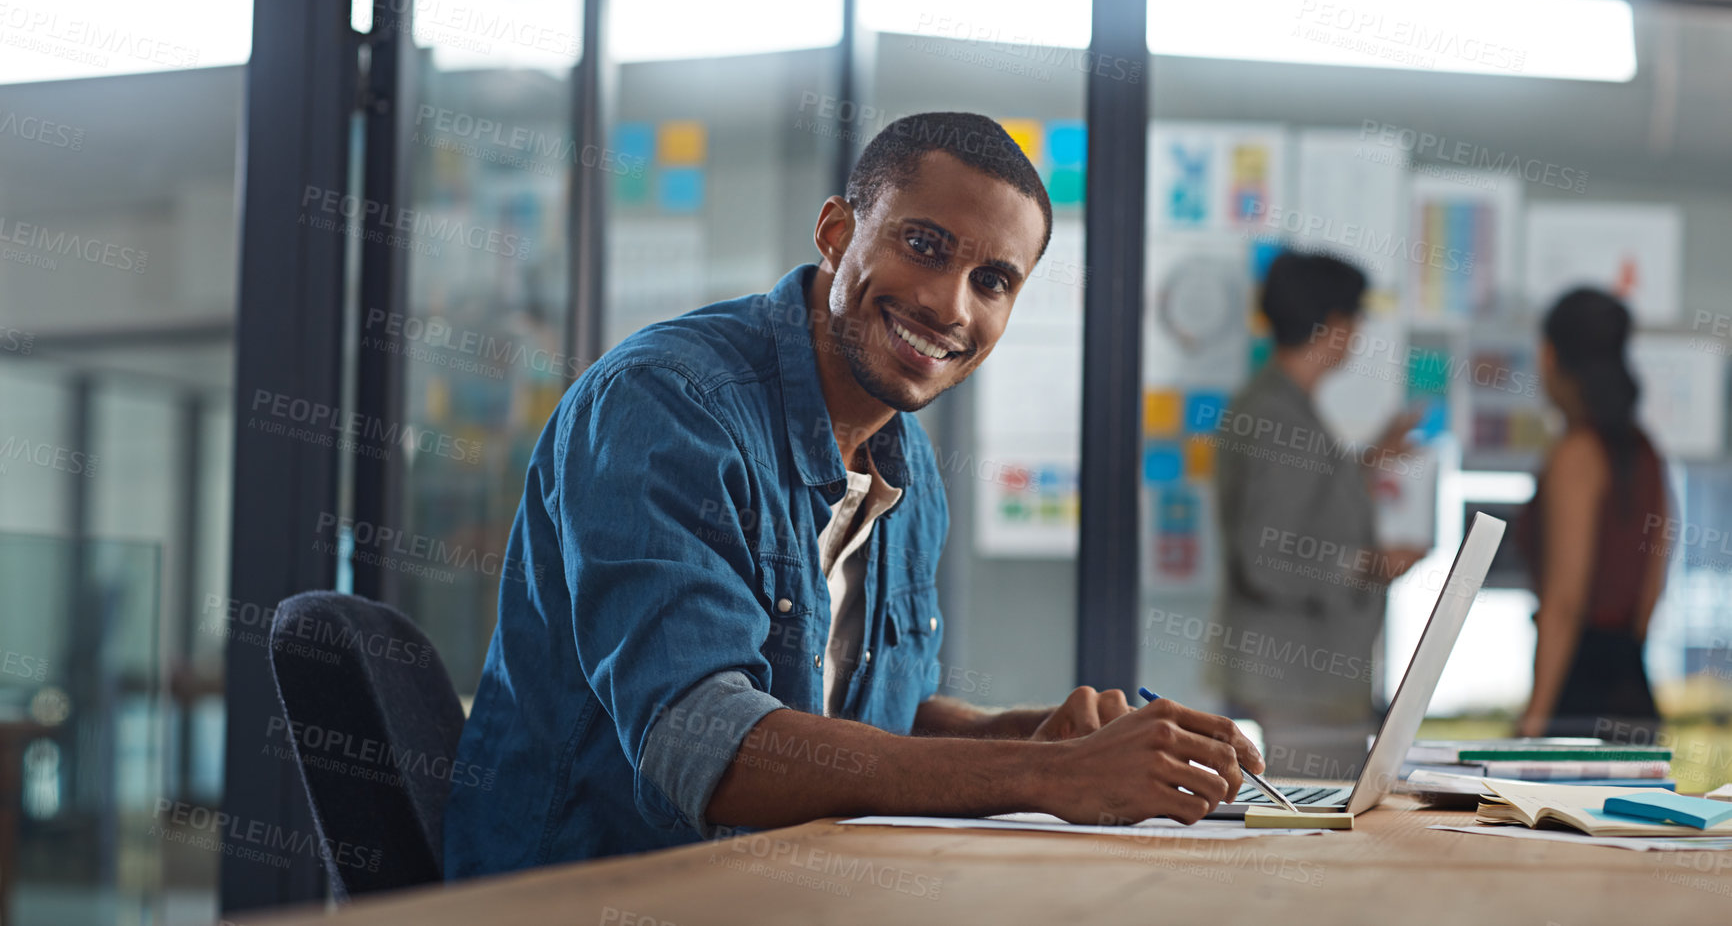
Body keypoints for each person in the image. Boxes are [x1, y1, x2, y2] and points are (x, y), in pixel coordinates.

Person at [445, 112, 1262, 876]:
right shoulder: (666, 406)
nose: (951, 304)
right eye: (925, 245)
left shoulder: (905, 469)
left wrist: (1032, 735)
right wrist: (1042, 773)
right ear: (837, 234)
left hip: (787, 890)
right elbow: (705, 744)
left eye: (993, 280)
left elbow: (864, 717)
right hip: (586, 896)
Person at [1210, 250, 1427, 778]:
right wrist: (1368, 565)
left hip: (1301, 686)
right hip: (1295, 689)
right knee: (1306, 839)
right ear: (1333, 325)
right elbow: (1266, 557)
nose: (1355, 336)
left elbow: (1300, 499)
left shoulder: (1280, 405)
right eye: (1354, 321)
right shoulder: (1278, 417)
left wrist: (1369, 460)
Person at [1514, 288, 1670, 741]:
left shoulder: (1577, 454)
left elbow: (1565, 603)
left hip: (1576, 699)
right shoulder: (1647, 454)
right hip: (1633, 691)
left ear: (1548, 356)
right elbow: (1650, 593)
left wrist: (1534, 723)